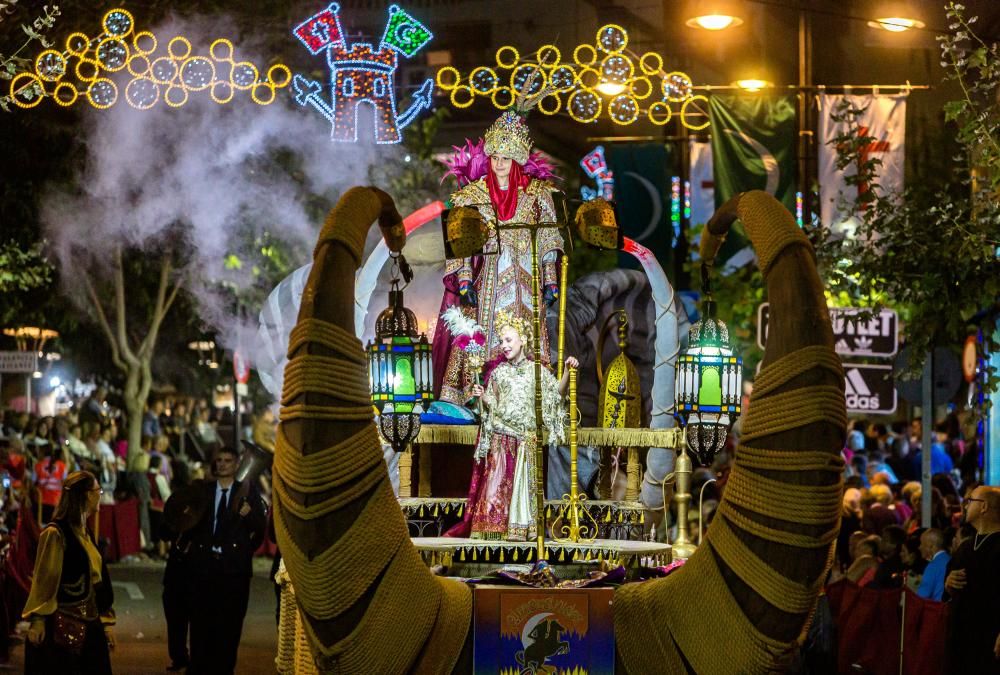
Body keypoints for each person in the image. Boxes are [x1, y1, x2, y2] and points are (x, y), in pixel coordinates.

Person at [433, 108, 564, 405]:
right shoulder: (473, 196)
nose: (500, 164)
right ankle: (482, 396)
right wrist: (465, 281)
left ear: (516, 159)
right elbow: (463, 243)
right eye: (495, 158)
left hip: (527, 278)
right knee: (485, 336)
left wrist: (550, 281)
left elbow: (548, 238)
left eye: (506, 158)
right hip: (490, 275)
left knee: (527, 336)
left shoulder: (537, 195)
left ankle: (528, 395)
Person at [445, 310, 575, 541]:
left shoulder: (538, 372)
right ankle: (493, 536)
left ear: (523, 340)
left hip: (526, 441)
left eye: (508, 340)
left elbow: (556, 396)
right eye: (501, 341)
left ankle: (522, 534)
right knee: (497, 489)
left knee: (524, 491)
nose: (504, 346)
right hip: (501, 439)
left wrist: (567, 372)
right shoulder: (499, 373)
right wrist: (482, 396)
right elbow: (490, 407)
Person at [22, 471, 115, 674]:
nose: (100, 493)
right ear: (86, 495)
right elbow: (44, 581)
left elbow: (97, 580)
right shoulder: (56, 533)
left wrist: (105, 623)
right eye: (97, 489)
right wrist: (38, 622)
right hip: (64, 629)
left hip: (92, 627)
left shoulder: (85, 532)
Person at [185, 447, 266, 674]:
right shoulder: (204, 491)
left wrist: (247, 519)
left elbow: (260, 529)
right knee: (201, 623)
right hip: (204, 568)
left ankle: (224, 668)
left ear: (236, 463)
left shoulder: (247, 492)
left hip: (233, 571)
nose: (222, 464)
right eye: (218, 460)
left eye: (227, 461)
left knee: (230, 625)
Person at [944, 485, 1000, 673]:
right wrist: (949, 583)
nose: (965, 506)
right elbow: (951, 585)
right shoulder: (966, 547)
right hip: (962, 635)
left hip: (989, 636)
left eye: (970, 501)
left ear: (983, 506)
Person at [34, 445, 68, 524]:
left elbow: (33, 483)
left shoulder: (38, 465)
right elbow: (65, 484)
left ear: (42, 452)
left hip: (40, 504)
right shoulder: (62, 466)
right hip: (56, 503)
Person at [916, 527, 950, 601]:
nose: (919, 547)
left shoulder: (933, 566)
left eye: (921, 543)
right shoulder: (950, 560)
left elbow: (921, 598)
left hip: (936, 610)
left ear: (930, 546)